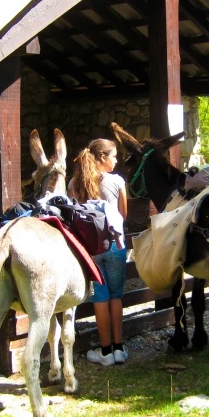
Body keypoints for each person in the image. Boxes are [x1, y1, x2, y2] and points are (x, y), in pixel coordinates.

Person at [69, 139, 129, 367]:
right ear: (102, 157)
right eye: (114, 156)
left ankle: (104, 352)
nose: (116, 160)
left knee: (100, 298)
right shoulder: (117, 181)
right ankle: (119, 349)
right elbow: (123, 215)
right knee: (116, 296)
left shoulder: (74, 183)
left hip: (91, 249)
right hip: (115, 245)